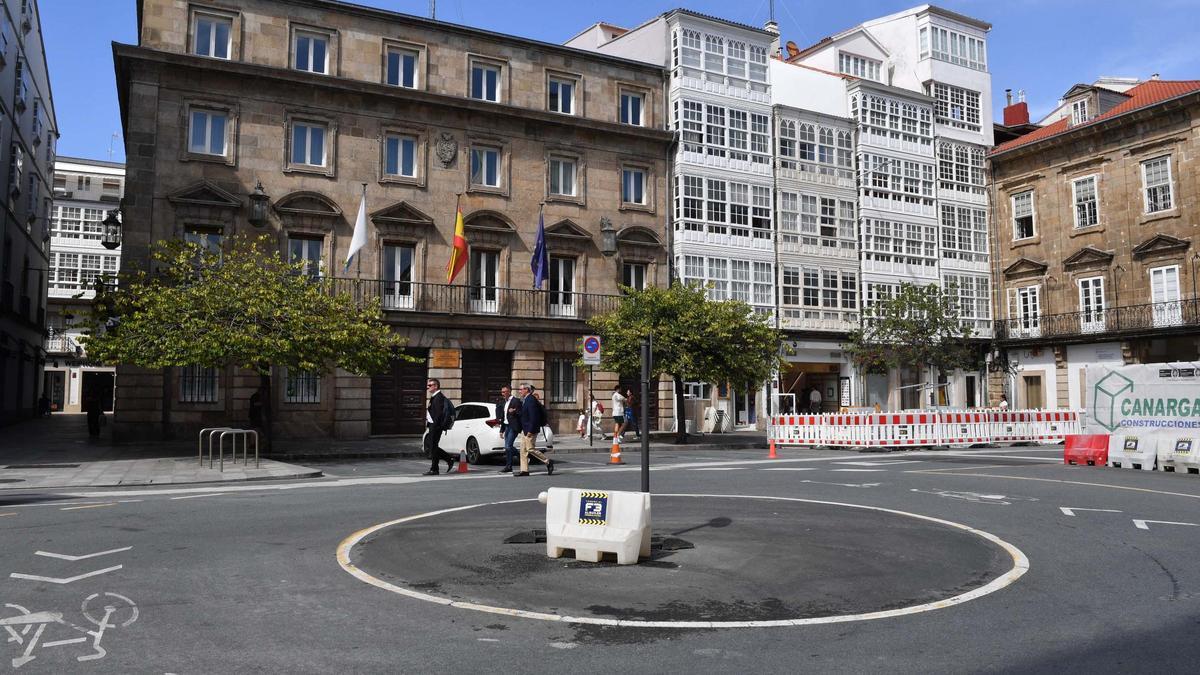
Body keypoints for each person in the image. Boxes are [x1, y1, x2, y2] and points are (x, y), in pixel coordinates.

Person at [515, 383, 554, 477]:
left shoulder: (531, 400)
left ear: (526, 390)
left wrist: (530, 430)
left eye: (521, 389)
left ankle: (548, 461)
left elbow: (534, 417)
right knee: (523, 451)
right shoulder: (525, 400)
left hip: (530, 430)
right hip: (524, 429)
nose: (519, 391)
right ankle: (524, 470)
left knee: (530, 449)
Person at [422, 378, 458, 476]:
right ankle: (445, 461)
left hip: (436, 426)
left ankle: (435, 468)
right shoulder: (435, 397)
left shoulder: (438, 397)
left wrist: (436, 427)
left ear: (436, 386)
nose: (428, 387)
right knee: (432, 446)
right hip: (433, 425)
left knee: (433, 446)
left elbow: (438, 414)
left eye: (430, 385)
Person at [496, 385, 520, 473]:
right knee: (507, 448)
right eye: (502, 392)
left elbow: (521, 413)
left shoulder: (516, 401)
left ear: (509, 392)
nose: (502, 394)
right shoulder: (504, 402)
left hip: (513, 427)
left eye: (504, 392)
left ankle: (510, 464)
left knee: (508, 446)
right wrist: (501, 430)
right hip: (506, 426)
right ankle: (510, 465)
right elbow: (503, 417)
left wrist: (514, 411)